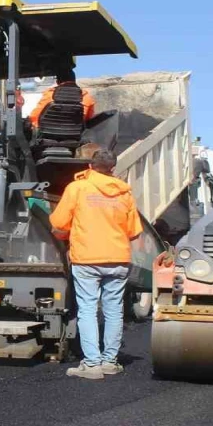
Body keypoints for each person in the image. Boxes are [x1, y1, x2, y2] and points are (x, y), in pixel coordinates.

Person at [50, 148, 143, 380]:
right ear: (113, 168)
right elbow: (134, 231)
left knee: (88, 309)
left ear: (90, 166)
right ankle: (110, 362)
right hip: (118, 259)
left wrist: (67, 234)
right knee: (114, 311)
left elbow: (59, 223)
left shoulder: (78, 188)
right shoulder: (124, 193)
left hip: (87, 259)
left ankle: (92, 364)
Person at [28, 66, 96, 129]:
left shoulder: (50, 94)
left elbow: (35, 116)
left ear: (57, 81)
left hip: (49, 134)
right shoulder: (87, 97)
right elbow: (90, 121)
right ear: (74, 80)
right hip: (76, 135)